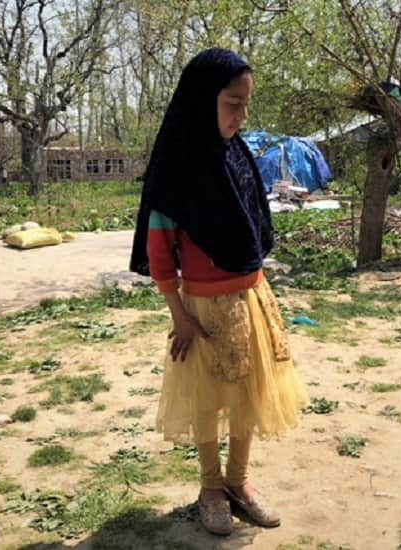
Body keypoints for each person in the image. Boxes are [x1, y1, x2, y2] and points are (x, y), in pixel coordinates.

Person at [130, 48, 308, 537]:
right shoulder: (176, 170)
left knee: (249, 396)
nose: (242, 115)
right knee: (208, 401)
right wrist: (179, 316)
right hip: (203, 309)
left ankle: (238, 483)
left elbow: (253, 227)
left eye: (247, 104)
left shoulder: (238, 156)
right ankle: (210, 487)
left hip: (251, 296)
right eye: (234, 103)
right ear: (202, 101)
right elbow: (162, 251)